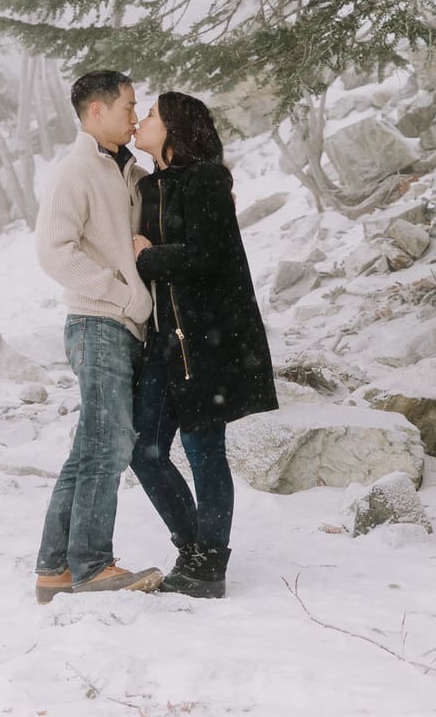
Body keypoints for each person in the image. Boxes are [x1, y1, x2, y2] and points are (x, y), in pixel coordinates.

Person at [127, 91, 280, 599]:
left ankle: (208, 565)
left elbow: (209, 256)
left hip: (207, 341)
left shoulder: (208, 179)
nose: (142, 119)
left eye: (150, 113)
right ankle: (193, 546)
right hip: (162, 341)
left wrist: (149, 257)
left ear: (174, 126)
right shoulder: (149, 186)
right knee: (143, 449)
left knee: (203, 447)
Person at [32, 70, 164, 601]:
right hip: (97, 322)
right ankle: (92, 566)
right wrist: (122, 295)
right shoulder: (76, 172)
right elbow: (54, 251)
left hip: (122, 327)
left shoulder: (126, 172)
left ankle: (54, 569)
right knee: (109, 447)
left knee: (90, 447)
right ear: (96, 112)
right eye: (129, 107)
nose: (135, 116)